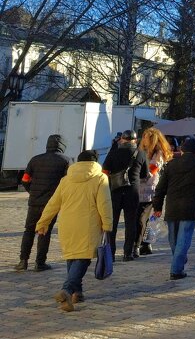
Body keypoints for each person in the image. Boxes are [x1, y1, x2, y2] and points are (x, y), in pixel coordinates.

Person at [35, 149, 111, 312]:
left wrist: (43, 223)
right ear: (96, 162)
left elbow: (53, 203)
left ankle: (78, 293)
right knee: (83, 258)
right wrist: (107, 224)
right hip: (88, 224)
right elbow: (104, 204)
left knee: (72, 256)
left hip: (67, 224)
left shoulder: (66, 180)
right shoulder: (100, 178)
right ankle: (67, 290)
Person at [152, 137, 195, 280]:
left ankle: (178, 260)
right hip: (189, 208)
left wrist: (157, 206)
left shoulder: (171, 165)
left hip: (172, 206)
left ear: (182, 149)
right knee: (183, 240)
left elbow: (160, 188)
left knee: (173, 239)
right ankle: (176, 269)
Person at [16, 133, 69, 272]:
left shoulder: (35, 160)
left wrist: (32, 191)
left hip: (34, 201)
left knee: (28, 230)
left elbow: (25, 180)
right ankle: (40, 263)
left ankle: (23, 261)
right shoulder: (65, 161)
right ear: (62, 146)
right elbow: (67, 183)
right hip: (51, 203)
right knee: (44, 231)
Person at [102, 129, 147, 261]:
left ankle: (111, 253)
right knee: (131, 222)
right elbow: (144, 175)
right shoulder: (141, 154)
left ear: (122, 139)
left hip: (115, 191)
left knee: (113, 223)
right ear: (135, 140)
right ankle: (128, 253)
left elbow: (104, 171)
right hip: (132, 192)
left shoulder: (113, 153)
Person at [137, 127, 173, 257]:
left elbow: (151, 171)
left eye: (146, 138)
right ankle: (143, 243)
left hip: (149, 189)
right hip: (141, 188)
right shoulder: (143, 151)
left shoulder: (158, 154)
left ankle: (144, 243)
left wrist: (135, 175)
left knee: (145, 219)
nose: (144, 140)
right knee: (143, 218)